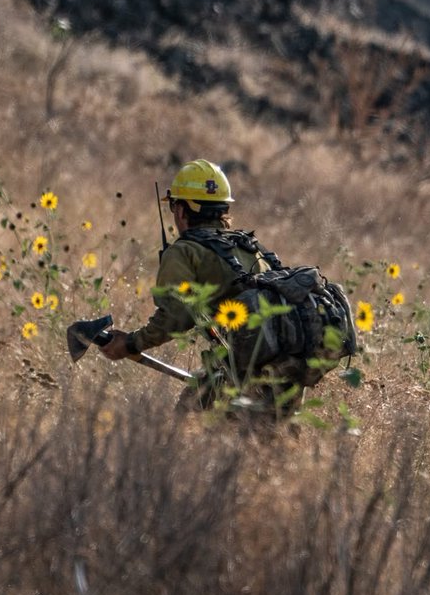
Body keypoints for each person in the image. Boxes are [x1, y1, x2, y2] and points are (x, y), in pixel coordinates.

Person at [100, 159, 298, 414]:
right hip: (289, 367)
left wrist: (130, 344)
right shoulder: (252, 247)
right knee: (275, 436)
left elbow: (176, 317)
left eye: (173, 206)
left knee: (190, 423)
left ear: (182, 210)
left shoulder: (184, 253)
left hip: (243, 373)